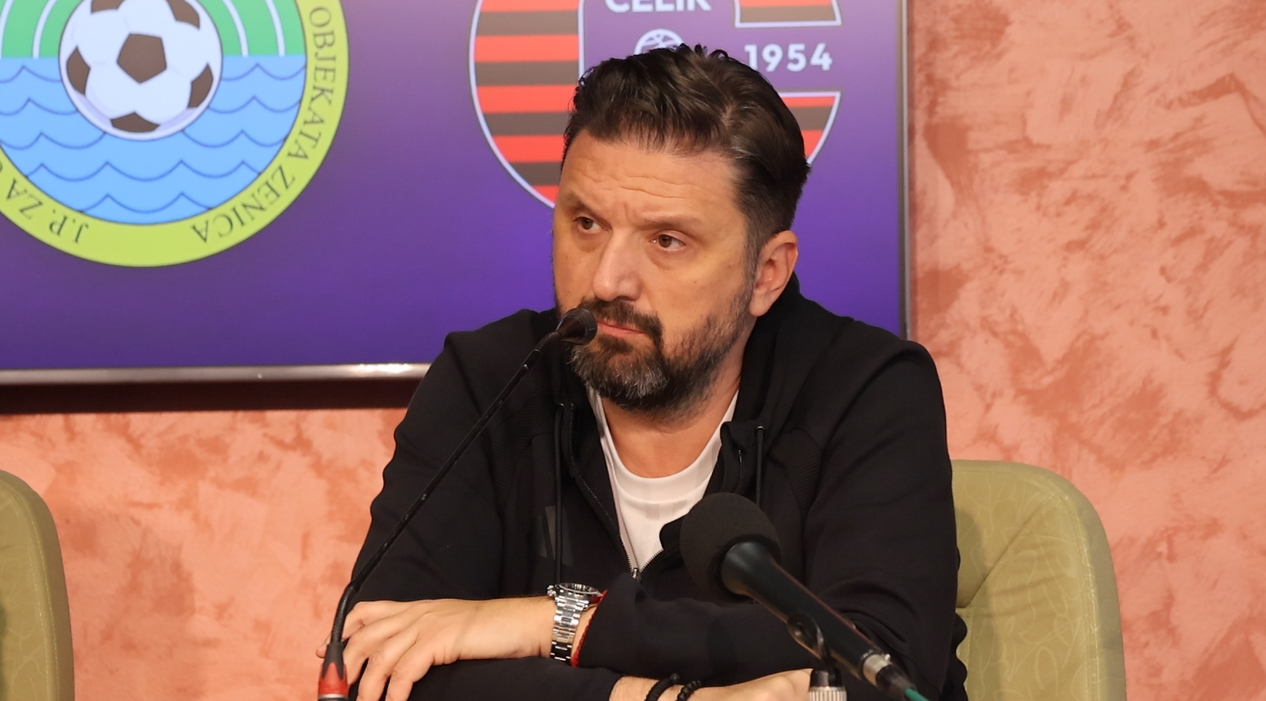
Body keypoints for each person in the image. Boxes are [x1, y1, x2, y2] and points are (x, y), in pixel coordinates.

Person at [321, 45, 967, 701]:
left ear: (766, 274)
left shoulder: (867, 388)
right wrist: (661, 698)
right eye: (586, 223)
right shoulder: (490, 381)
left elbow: (881, 666)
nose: (607, 281)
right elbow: (377, 657)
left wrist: (557, 623)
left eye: (666, 241)